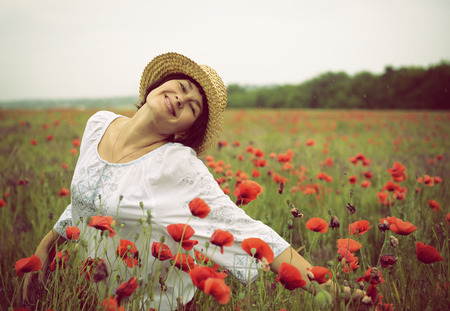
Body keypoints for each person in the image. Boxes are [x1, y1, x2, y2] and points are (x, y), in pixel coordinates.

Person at [23, 52, 364, 310]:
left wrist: (328, 288)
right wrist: (45, 247)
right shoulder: (99, 124)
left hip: (146, 302)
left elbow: (248, 232)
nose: (181, 98)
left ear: (185, 129)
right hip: (82, 294)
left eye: (192, 106)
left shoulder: (176, 166)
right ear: (158, 85)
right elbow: (87, 195)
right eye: (182, 87)